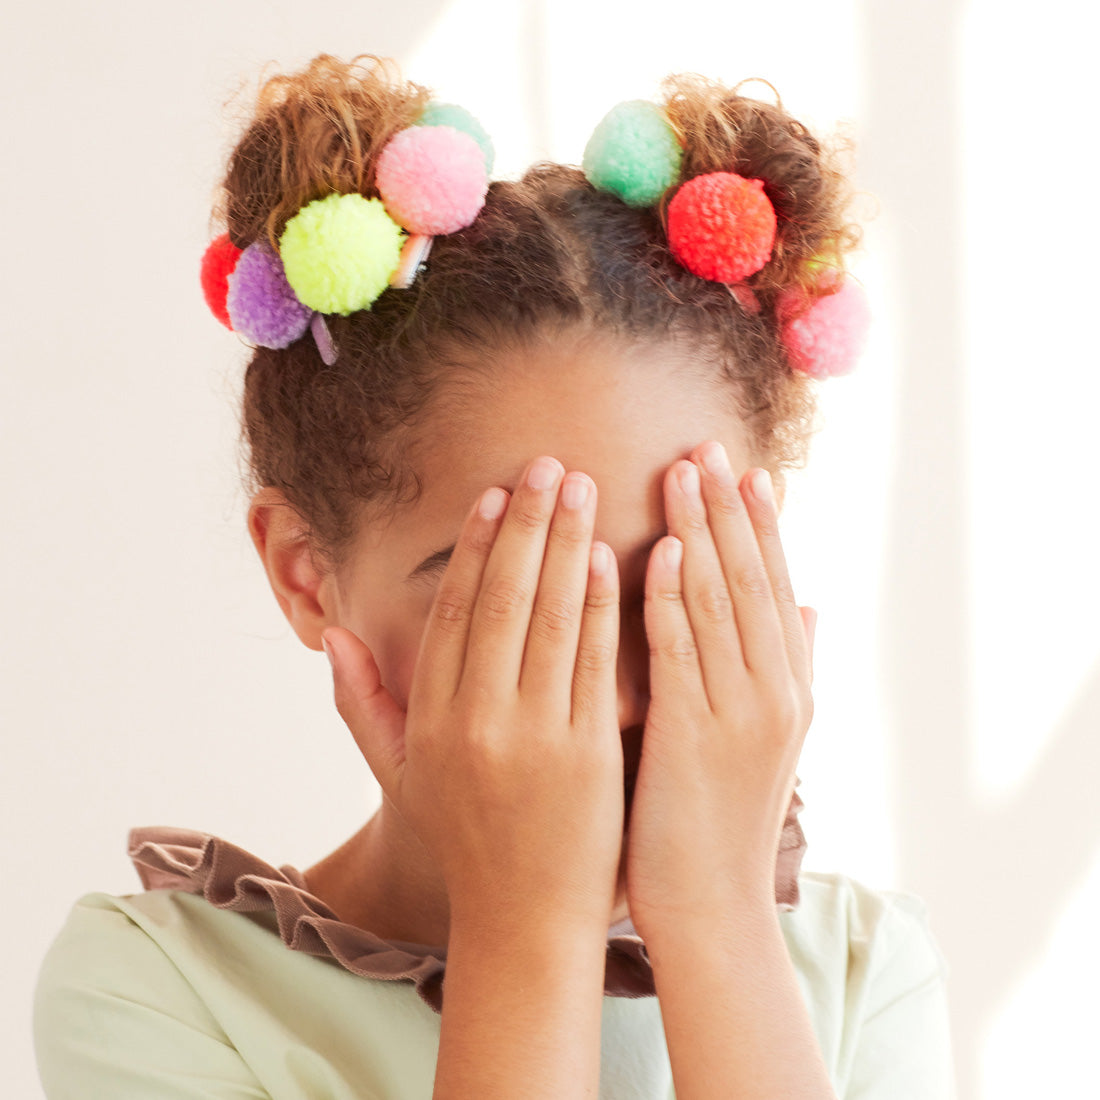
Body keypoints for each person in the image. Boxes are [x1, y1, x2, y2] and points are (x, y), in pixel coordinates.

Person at [33, 53, 955, 1099]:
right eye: (517, 596)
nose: (601, 689)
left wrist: (713, 913)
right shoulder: (163, 989)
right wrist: (526, 924)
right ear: (306, 576)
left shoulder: (859, 966)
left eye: (676, 581)